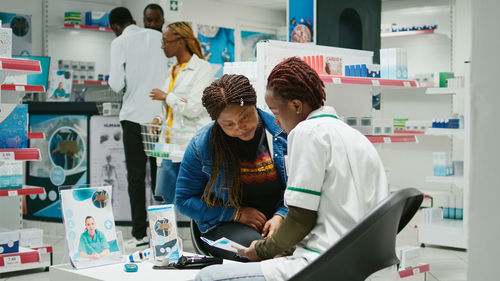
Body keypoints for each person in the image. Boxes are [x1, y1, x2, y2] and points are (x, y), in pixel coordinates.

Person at [195, 58, 389, 281]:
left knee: (207, 276)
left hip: (326, 263)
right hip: (369, 265)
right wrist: (282, 249)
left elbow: (300, 218)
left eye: (276, 112)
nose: (275, 122)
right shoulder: (355, 137)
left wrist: (260, 250)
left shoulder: (307, 132)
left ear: (296, 106)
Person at [175, 74, 288, 261]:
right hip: (223, 226)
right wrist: (234, 213)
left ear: (255, 105)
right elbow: (184, 200)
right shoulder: (201, 144)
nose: (240, 127)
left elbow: (298, 187)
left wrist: (281, 215)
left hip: (276, 221)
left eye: (245, 117)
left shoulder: (282, 132)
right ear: (218, 123)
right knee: (264, 254)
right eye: (228, 124)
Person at [108, 6, 169, 248]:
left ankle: (140, 234)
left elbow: (115, 84)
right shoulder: (163, 39)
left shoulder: (121, 42)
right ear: (135, 20)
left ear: (114, 27)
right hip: (159, 118)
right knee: (160, 177)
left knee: (135, 178)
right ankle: (164, 233)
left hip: (133, 117)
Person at [149, 22, 215, 204]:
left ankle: (195, 234)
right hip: (167, 147)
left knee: (192, 203)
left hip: (188, 146)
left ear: (180, 42)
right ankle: (164, 234)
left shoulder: (203, 69)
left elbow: (194, 107)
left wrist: (166, 96)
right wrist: (157, 119)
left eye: (165, 42)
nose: (163, 46)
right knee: (163, 203)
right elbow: (167, 108)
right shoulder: (171, 71)